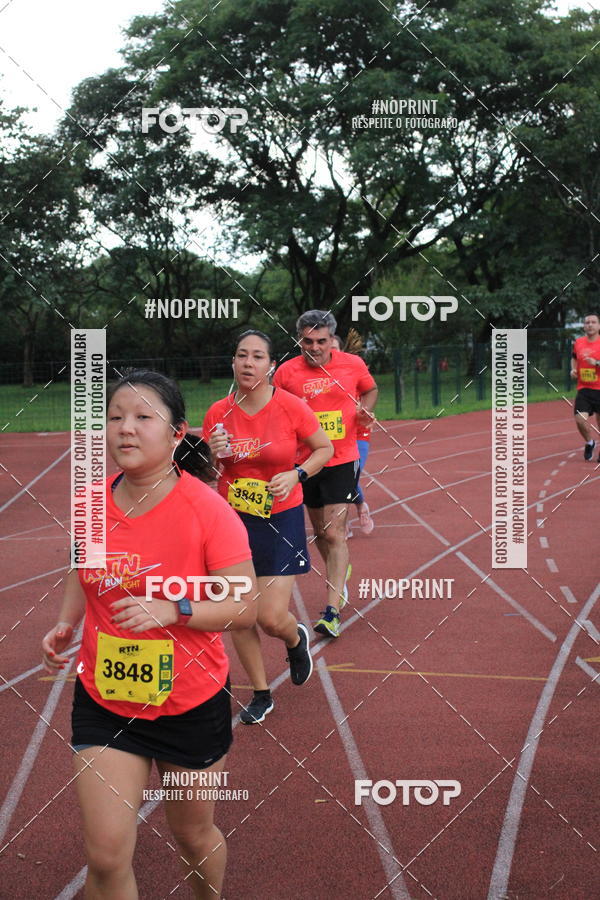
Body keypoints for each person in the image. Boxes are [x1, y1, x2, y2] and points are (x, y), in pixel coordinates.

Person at [42, 369, 256, 900]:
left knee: (192, 835)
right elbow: (81, 568)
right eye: (115, 417)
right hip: (107, 699)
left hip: (190, 704)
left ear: (177, 432)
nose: (125, 428)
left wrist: (175, 609)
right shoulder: (92, 503)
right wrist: (66, 622)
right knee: (105, 855)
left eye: (143, 417)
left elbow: (245, 605)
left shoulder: (209, 511)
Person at [203, 330, 333, 724]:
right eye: (241, 355)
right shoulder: (217, 412)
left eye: (257, 356)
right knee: (239, 612)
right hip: (232, 520)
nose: (248, 363)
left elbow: (324, 448)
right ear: (233, 362)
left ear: (271, 366)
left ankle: (294, 637)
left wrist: (297, 474)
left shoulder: (291, 406)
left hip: (281, 516)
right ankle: (261, 693)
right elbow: (207, 473)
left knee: (270, 617)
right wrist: (212, 454)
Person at [274, 310, 378, 638]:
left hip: (342, 457)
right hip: (304, 463)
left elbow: (370, 389)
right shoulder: (286, 373)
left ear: (331, 339)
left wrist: (365, 411)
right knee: (320, 533)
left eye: (321, 341)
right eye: (308, 341)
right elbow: (274, 407)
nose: (315, 348)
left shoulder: (352, 364)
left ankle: (332, 611)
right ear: (299, 340)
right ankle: (339, 572)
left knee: (334, 533)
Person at [331, 331, 375, 539]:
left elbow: (371, 392)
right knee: (332, 479)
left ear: (341, 351)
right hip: (331, 437)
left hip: (357, 434)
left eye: (333, 348)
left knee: (348, 476)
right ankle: (356, 509)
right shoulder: (314, 379)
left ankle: (349, 517)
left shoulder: (353, 371)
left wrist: (364, 412)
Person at [571, 313, 600, 460]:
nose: (590, 325)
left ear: (599, 326)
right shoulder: (578, 342)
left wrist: (597, 363)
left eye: (593, 322)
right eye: (587, 322)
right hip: (584, 389)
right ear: (584, 326)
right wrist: (573, 369)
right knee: (580, 420)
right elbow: (574, 358)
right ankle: (590, 442)